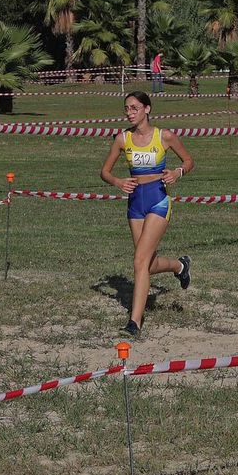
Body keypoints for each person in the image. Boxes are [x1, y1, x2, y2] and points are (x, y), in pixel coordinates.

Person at [99, 91, 195, 336]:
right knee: (147, 264)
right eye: (127, 109)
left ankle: (134, 323)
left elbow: (188, 161)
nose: (129, 112)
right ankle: (179, 266)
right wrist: (119, 182)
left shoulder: (165, 136)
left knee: (139, 261)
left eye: (134, 108)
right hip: (135, 204)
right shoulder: (122, 139)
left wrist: (177, 173)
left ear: (147, 109)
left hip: (158, 201)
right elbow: (105, 172)